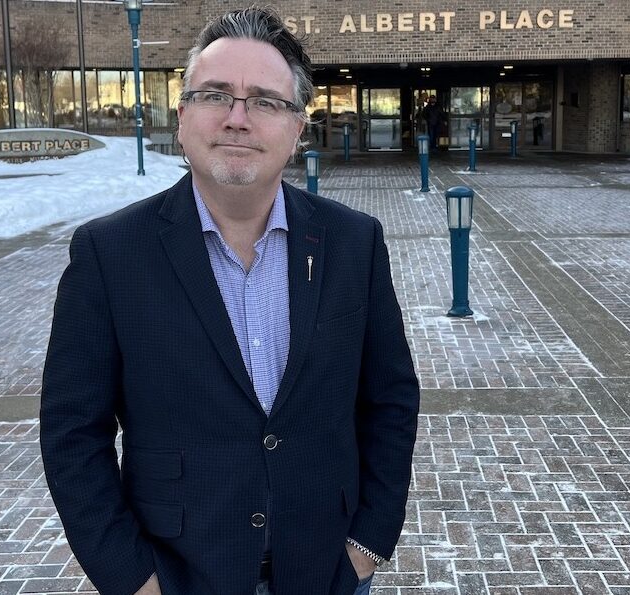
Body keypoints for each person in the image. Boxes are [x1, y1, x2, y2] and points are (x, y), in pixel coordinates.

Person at [39, 6, 419, 595]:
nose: (238, 119)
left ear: (297, 128)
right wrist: (131, 578)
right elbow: (72, 433)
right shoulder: (108, 254)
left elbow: (390, 399)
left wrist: (368, 542)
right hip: (178, 575)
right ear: (184, 115)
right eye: (217, 95)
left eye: (265, 101)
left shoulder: (354, 243)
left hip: (327, 571)